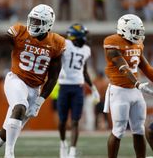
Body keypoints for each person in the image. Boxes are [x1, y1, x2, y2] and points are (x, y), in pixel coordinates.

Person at [0, 4, 66, 158]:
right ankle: (10, 154)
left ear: (48, 24)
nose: (33, 25)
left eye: (38, 22)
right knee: (20, 107)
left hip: (35, 89)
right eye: (32, 20)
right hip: (16, 79)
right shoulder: (20, 31)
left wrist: (39, 102)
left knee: (7, 131)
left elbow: (53, 77)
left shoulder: (56, 43)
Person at [103, 14, 153, 158]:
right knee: (118, 130)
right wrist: (137, 83)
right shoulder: (112, 42)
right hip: (120, 91)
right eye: (135, 31)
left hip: (135, 91)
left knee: (139, 129)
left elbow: (146, 68)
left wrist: (138, 85)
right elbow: (123, 67)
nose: (138, 35)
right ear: (124, 29)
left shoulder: (138, 44)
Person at [57, 23, 100, 158]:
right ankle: (63, 142)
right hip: (64, 86)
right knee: (63, 120)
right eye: (84, 35)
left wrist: (93, 89)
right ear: (77, 37)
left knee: (75, 120)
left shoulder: (86, 50)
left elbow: (85, 71)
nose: (86, 38)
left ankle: (72, 151)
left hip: (78, 88)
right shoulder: (65, 45)